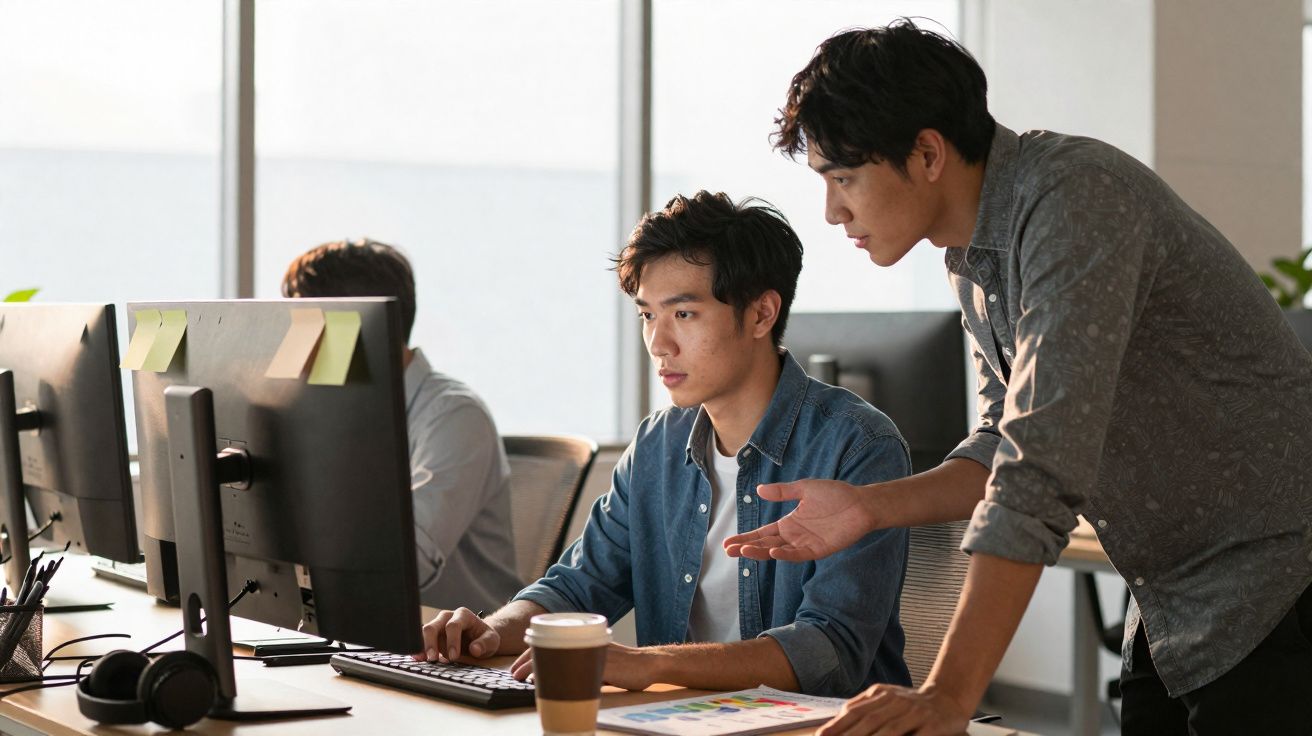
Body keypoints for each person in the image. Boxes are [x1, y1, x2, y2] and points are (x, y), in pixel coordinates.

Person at [724, 20, 1312, 735]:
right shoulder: (972, 257)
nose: (832, 210)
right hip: (1173, 597)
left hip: (1280, 577)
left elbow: (1038, 466)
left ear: (928, 153)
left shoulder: (1075, 200)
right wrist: (870, 507)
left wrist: (948, 695)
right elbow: (1002, 440)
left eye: (844, 178)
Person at [416, 191, 912, 696]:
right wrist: (493, 631)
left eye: (684, 315)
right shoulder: (658, 443)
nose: (658, 344)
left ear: (762, 315)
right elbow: (579, 585)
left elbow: (830, 650)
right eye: (648, 315)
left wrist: (651, 665)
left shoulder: (857, 446)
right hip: (680, 722)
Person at [282, 238, 522, 612]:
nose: (295, 348)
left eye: (305, 328)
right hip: (367, 632)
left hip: (465, 652)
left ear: (358, 330)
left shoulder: (455, 416)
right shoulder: (334, 411)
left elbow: (406, 561)